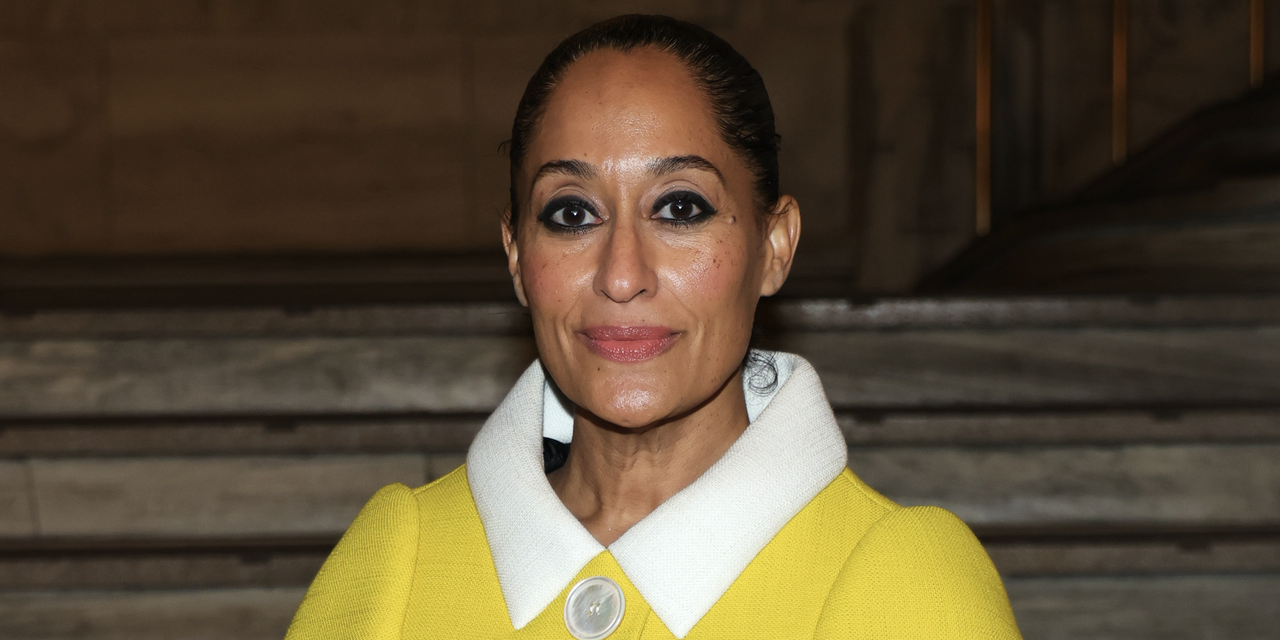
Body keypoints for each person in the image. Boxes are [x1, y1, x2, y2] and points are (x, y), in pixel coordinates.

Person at [285, 14, 1022, 640]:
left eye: (680, 208)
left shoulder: (904, 583)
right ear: (517, 256)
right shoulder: (398, 561)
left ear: (775, 246)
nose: (622, 273)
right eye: (571, 214)